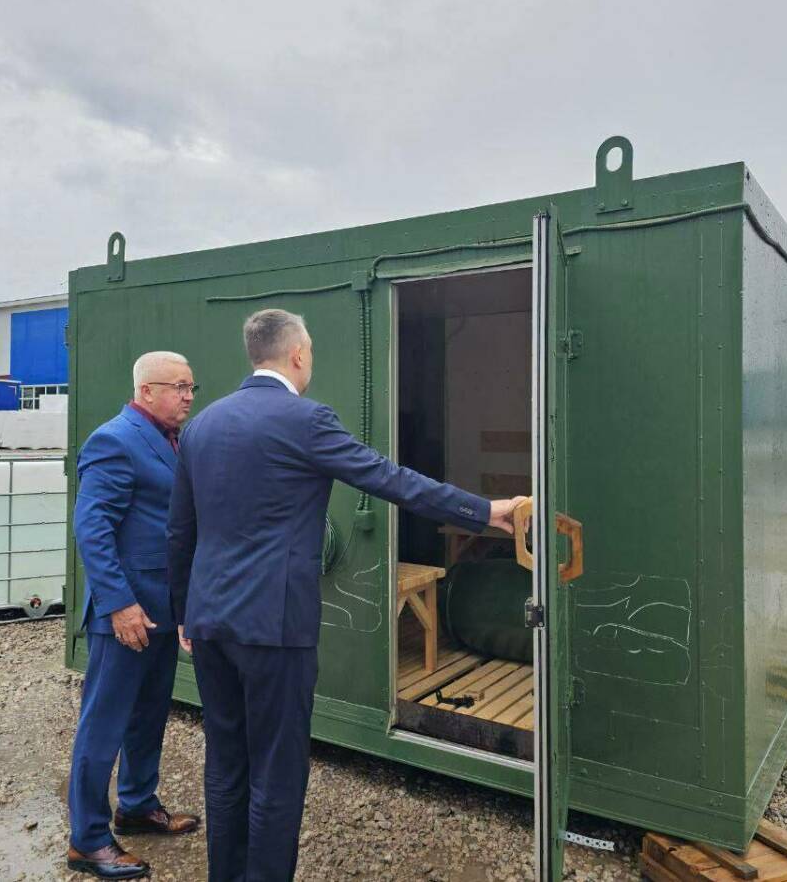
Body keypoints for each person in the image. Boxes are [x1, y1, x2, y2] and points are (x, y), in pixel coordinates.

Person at [167, 309, 525, 881]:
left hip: (209, 621)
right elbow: (391, 479)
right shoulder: (305, 420)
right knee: (277, 773)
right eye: (309, 350)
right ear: (297, 354)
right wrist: (484, 511)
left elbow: (180, 531)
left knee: (226, 763)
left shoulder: (202, 425)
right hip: (275, 626)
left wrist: (184, 611)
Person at [67, 351, 202, 880]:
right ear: (146, 391)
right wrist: (119, 604)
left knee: (148, 715)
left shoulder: (173, 440)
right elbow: (92, 528)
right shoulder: (115, 441)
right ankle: (87, 839)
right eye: (178, 387)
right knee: (103, 726)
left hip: (163, 610)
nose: (188, 397)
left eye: (191, 387)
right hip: (125, 614)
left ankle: (138, 804)